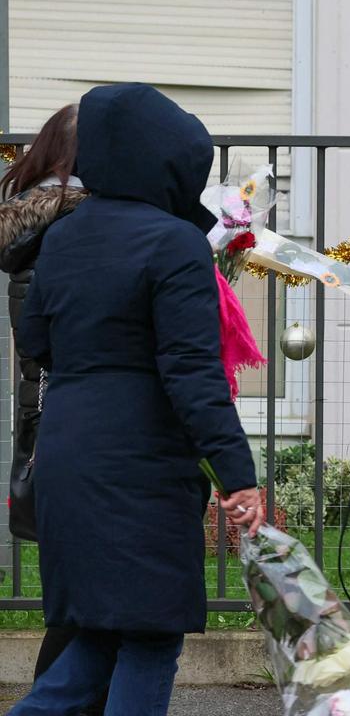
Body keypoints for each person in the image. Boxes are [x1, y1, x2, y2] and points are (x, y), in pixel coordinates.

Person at [5, 83, 264, 716]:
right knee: (148, 640)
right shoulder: (173, 243)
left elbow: (36, 338)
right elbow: (193, 376)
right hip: (139, 466)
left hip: (68, 452)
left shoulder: (61, 238)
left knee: (93, 645)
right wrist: (239, 477)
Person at [0, 104, 113, 716]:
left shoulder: (35, 234)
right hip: (76, 427)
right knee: (82, 603)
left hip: (49, 422)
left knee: (77, 595)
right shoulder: (68, 233)